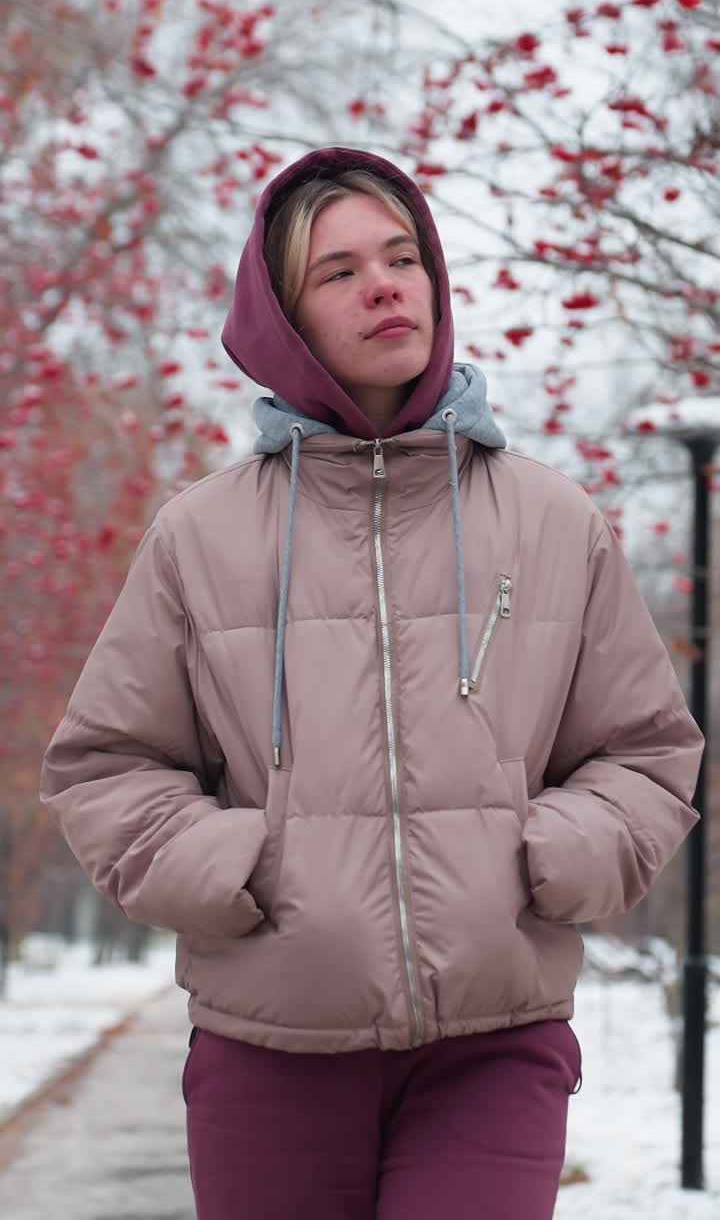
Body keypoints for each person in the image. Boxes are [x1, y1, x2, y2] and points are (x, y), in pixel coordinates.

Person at [40, 146, 703, 1220]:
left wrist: (549, 855)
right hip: (271, 1043)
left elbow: (646, 750)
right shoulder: (199, 533)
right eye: (338, 270)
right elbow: (105, 765)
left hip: (497, 1040)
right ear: (284, 315)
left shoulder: (550, 519)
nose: (386, 284)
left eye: (403, 256)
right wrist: (241, 867)